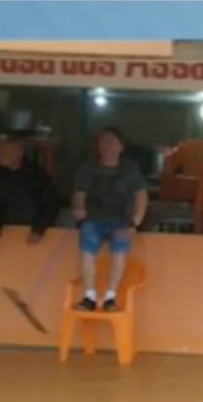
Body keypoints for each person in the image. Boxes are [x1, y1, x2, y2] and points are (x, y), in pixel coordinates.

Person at [71, 127, 149, 311]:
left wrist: (134, 223)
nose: (107, 146)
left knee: (119, 252)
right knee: (87, 251)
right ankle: (89, 297)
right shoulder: (89, 167)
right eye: (103, 142)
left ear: (121, 146)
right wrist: (79, 208)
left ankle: (110, 298)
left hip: (122, 219)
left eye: (112, 142)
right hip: (94, 218)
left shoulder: (129, 168)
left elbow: (141, 196)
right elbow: (79, 192)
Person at [0, 137, 61, 245]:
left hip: (33, 236)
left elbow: (51, 205)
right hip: (7, 235)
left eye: (6, 153)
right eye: (0, 152)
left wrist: (38, 229)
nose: (1, 156)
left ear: (19, 153)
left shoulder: (36, 174)